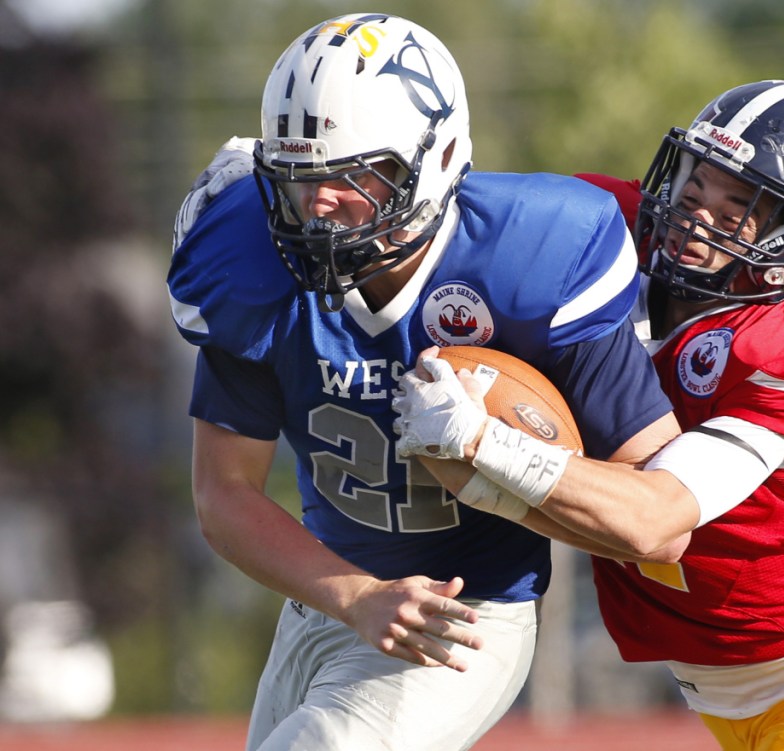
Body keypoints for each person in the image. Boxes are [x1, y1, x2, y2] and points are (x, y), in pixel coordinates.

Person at [166, 12, 685, 751]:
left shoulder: (534, 257)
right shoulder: (249, 261)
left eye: (352, 175)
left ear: (436, 156)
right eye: (300, 176)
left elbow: (656, 523)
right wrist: (356, 595)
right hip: (324, 596)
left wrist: (487, 446)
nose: (318, 204)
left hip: (463, 619)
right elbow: (223, 493)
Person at [393, 80, 784, 750]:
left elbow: (650, 519)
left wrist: (480, 442)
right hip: (712, 689)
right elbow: (449, 208)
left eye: (738, 210)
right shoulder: (600, 237)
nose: (696, 216)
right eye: (695, 187)